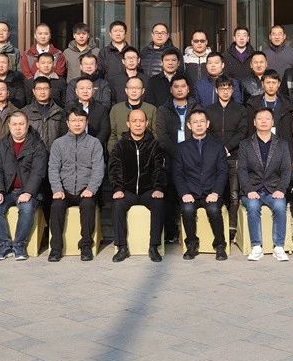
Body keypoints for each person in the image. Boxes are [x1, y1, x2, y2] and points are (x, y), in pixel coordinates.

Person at [47, 107, 105, 262]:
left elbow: (98, 168)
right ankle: (56, 248)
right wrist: (57, 189)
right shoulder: (58, 144)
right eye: (73, 120)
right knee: (56, 206)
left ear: (86, 122)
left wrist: (91, 188)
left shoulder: (94, 143)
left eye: (81, 120)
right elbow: (53, 168)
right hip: (64, 189)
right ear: (67, 123)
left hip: (85, 189)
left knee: (88, 205)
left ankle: (85, 246)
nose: (77, 124)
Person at [0, 110, 48, 261]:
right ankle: (4, 245)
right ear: (9, 125)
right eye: (14, 124)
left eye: (21, 124)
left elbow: (38, 172)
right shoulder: (0, 146)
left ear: (27, 125)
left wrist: (28, 192)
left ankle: (19, 245)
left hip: (28, 191)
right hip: (6, 191)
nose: (18, 128)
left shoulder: (37, 145)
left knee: (26, 207)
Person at [108, 109, 166, 262]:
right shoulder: (120, 146)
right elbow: (115, 169)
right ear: (128, 123)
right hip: (128, 191)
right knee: (117, 204)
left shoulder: (154, 145)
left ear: (147, 123)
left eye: (141, 121)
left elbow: (159, 168)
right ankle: (121, 247)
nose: (138, 124)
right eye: (134, 121)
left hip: (148, 191)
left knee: (158, 203)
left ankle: (153, 246)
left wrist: (158, 188)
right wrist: (117, 188)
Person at [173, 109, 229, 261]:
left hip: (211, 192)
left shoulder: (217, 146)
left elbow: (222, 172)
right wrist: (184, 193)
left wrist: (216, 192)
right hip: (190, 192)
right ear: (189, 125)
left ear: (208, 124)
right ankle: (191, 245)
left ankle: (220, 245)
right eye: (195, 122)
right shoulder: (182, 148)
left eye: (202, 121)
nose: (199, 125)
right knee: (187, 209)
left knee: (213, 209)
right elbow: (177, 174)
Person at [238, 108, 291, 261]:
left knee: (280, 206)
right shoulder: (245, 144)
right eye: (260, 118)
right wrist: (248, 190)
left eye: (267, 118)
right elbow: (242, 170)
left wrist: (281, 189)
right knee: (253, 206)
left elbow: (286, 169)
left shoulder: (282, 144)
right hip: (252, 189)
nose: (263, 121)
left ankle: (279, 246)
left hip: (273, 189)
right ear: (254, 122)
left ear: (272, 122)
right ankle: (256, 246)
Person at [155, 75, 198, 242]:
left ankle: (190, 233)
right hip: (171, 158)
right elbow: (162, 136)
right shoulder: (163, 110)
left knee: (190, 194)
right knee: (170, 195)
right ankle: (171, 232)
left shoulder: (196, 108)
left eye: (183, 86)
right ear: (171, 89)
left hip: (193, 158)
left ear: (188, 89)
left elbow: (200, 131)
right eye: (176, 86)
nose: (180, 89)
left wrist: (188, 154)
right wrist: (179, 154)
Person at [206, 75, 249, 241]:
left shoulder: (240, 109)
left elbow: (242, 131)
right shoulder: (209, 110)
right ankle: (218, 227)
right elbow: (206, 131)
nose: (225, 91)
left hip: (234, 156)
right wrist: (219, 149)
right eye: (222, 88)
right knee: (217, 192)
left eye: (228, 88)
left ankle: (232, 227)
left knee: (234, 194)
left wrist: (227, 147)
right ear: (216, 90)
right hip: (214, 157)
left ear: (233, 90)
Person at [246, 70, 293, 164]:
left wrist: (292, 158)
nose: (271, 86)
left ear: (279, 84)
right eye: (268, 82)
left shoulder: (288, 105)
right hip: (259, 150)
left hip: (282, 151)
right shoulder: (253, 104)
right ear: (262, 84)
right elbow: (250, 132)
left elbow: (290, 135)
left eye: (274, 82)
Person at [107, 76, 157, 153]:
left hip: (146, 152)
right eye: (131, 88)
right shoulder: (116, 109)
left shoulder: (151, 109)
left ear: (143, 91)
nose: (134, 91)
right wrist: (115, 154)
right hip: (121, 152)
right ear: (126, 90)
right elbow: (112, 135)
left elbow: (155, 134)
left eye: (137, 88)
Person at [22, 77, 66, 151]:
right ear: (33, 91)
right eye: (39, 89)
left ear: (50, 90)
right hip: (32, 154)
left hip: (54, 153)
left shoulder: (60, 112)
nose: (42, 92)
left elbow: (64, 136)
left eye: (45, 89)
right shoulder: (25, 112)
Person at [72, 78, 110, 149]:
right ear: (76, 91)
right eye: (82, 88)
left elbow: (105, 130)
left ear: (93, 91)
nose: (85, 91)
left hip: (95, 147)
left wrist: (93, 145)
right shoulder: (69, 108)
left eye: (89, 88)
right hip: (73, 147)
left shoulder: (101, 109)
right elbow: (64, 130)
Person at [97, 20, 129, 85]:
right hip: (109, 87)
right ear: (110, 34)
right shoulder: (104, 52)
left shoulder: (131, 51)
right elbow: (99, 73)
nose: (118, 34)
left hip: (129, 87)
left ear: (125, 33)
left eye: (121, 31)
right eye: (115, 31)